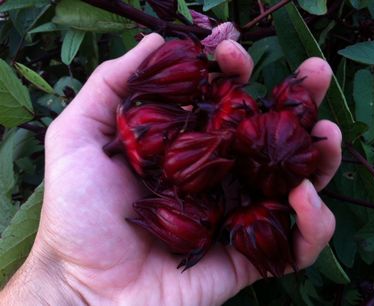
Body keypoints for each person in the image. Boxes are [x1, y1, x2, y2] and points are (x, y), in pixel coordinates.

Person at [0, 33, 341, 306]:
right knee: (275, 156)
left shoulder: (196, 146)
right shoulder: (199, 144)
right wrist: (69, 282)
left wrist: (70, 286)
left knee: (275, 156)